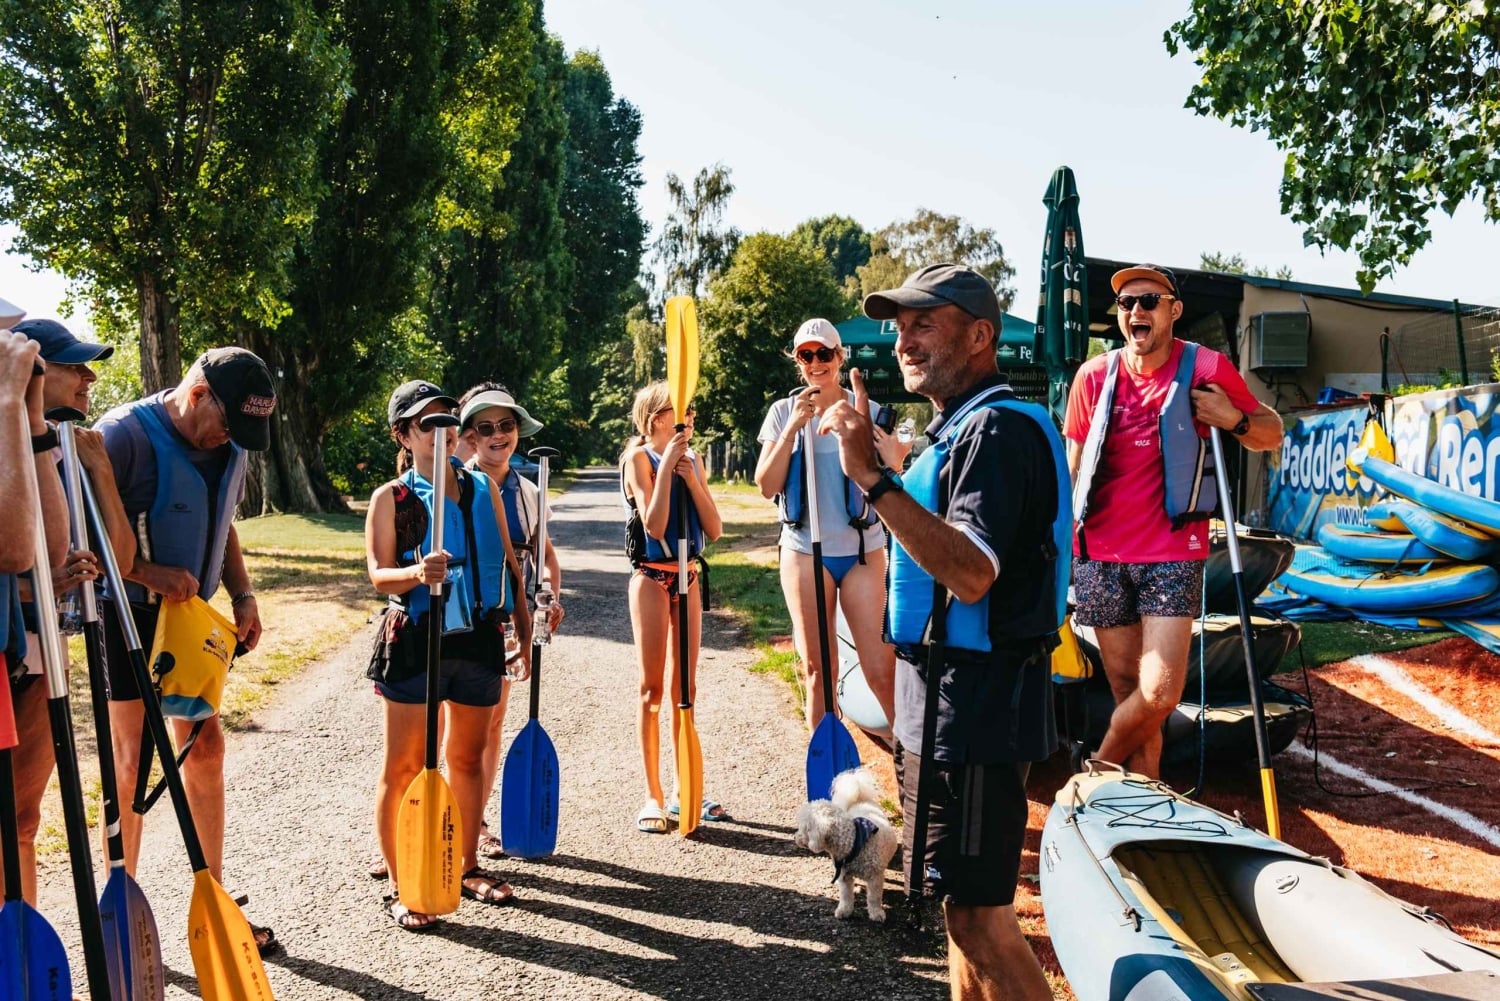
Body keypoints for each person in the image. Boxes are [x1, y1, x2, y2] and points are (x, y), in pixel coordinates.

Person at [819, 264, 1068, 1001]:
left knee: (981, 916)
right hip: (949, 699)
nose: (904, 338)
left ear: (980, 334)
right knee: (960, 911)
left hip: (982, 702)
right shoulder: (959, 429)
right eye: (899, 325)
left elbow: (970, 572)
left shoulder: (995, 431)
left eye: (923, 321)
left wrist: (872, 477)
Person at [1064, 264, 1284, 779]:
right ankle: (1145, 795)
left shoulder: (1205, 366)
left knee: (1159, 692)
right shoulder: (1093, 377)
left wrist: (1233, 419)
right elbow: (1073, 468)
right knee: (1128, 692)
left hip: (1171, 550)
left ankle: (1097, 768)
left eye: (1148, 301)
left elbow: (1270, 433)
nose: (1135, 311)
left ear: (1173, 311)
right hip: (1098, 553)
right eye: (1126, 304)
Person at [95, 346, 279, 953]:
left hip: (189, 625)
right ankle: (120, 912)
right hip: (126, 619)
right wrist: (149, 573)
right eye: (229, 423)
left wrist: (244, 594)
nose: (233, 439)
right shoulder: (123, 436)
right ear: (197, 393)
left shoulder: (232, 446)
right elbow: (82, 536)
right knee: (130, 765)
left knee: (204, 750)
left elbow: (222, 519)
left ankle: (215, 903)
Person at [364, 380, 529, 931]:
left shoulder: (482, 487)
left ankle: (465, 865)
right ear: (404, 435)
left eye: (447, 420)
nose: (442, 431)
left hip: (478, 638)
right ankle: (399, 880)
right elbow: (377, 572)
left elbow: (508, 562)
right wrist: (416, 573)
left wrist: (523, 631)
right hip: (416, 637)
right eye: (426, 424)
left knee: (467, 756)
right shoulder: (393, 498)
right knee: (407, 763)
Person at [5, 319, 133, 905]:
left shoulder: (66, 447)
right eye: (72, 366)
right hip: (13, 640)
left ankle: (22, 959)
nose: (88, 378)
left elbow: (121, 559)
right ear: (33, 371)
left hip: (45, 650)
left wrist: (101, 471)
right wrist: (35, 583)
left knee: (23, 820)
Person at [754, 318, 905, 733]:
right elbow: (766, 485)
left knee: (880, 670)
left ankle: (910, 772)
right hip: (805, 553)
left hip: (861, 551)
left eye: (824, 353)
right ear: (798, 361)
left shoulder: (868, 411)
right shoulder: (782, 412)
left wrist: (894, 459)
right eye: (806, 355)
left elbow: (894, 477)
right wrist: (792, 428)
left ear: (840, 357)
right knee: (817, 670)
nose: (815, 362)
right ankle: (823, 783)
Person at [456, 381, 563, 860]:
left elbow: (546, 558)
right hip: (462, 617)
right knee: (454, 726)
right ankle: (441, 819)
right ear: (471, 436)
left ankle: (475, 820)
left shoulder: (529, 492)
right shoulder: (455, 484)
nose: (499, 435)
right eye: (486, 427)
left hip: (508, 615)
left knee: (494, 720)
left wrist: (549, 598)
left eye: (506, 425)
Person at [620, 382, 724, 834]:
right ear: (658, 417)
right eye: (682, 409)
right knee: (652, 689)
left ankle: (687, 788)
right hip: (651, 577)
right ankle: (654, 795)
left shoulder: (693, 460)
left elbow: (714, 529)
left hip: (690, 576)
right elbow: (655, 522)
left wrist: (689, 476)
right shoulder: (638, 459)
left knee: (688, 688)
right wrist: (666, 473)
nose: (692, 415)